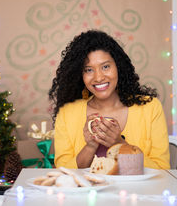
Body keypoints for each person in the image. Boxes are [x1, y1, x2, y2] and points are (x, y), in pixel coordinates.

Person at [49, 30, 170, 170]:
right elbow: (63, 171)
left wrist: (119, 144)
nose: (99, 77)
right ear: (79, 74)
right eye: (88, 70)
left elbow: (162, 169)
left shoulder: (150, 107)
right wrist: (90, 147)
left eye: (105, 67)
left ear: (118, 66)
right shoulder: (67, 113)